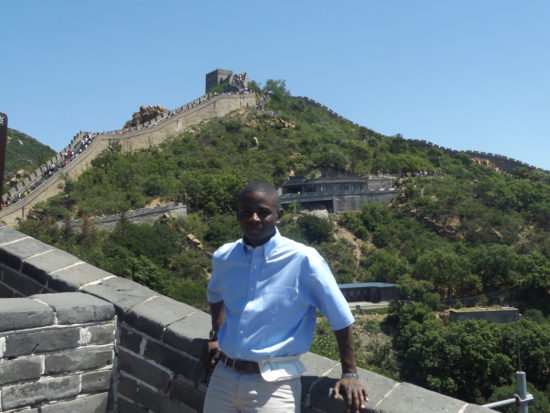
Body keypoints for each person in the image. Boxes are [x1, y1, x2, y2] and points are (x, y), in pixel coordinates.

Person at [203, 181, 368, 413]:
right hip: (223, 376)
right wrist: (216, 335)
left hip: (274, 384)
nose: (254, 219)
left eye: (263, 212)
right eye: (246, 212)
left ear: (279, 214)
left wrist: (349, 372)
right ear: (237, 214)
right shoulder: (224, 257)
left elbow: (340, 316)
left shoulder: (304, 260)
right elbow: (215, 294)